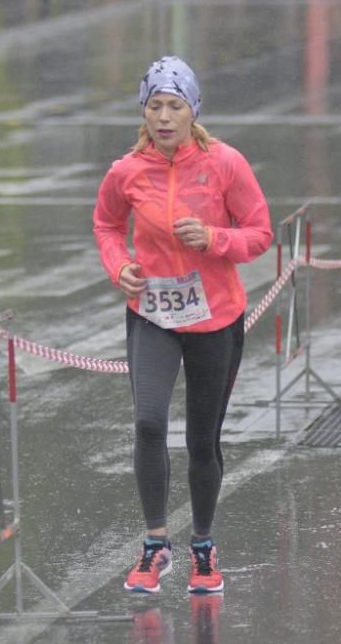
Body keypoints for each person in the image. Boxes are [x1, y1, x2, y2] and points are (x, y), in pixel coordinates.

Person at [93, 56, 273, 594]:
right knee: (148, 424)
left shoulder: (225, 164)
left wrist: (216, 239)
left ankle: (202, 546)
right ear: (143, 112)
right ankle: (154, 546)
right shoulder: (126, 171)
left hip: (216, 318)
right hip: (153, 314)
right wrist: (119, 267)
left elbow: (259, 232)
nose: (164, 117)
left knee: (202, 440)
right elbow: (105, 224)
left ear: (193, 111)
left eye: (175, 106)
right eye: (155, 106)